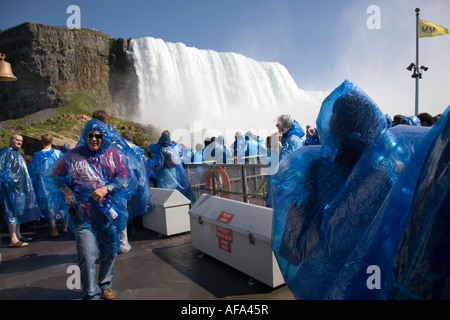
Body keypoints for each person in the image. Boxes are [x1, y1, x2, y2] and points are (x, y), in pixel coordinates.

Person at [50, 119, 136, 300]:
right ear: (85, 136)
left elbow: (124, 179)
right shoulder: (72, 157)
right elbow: (54, 176)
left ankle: (105, 284)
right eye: (91, 135)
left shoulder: (114, 155)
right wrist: (66, 190)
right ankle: (91, 293)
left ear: (104, 137)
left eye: (99, 136)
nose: (94, 139)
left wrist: (107, 188)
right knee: (87, 255)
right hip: (82, 215)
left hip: (106, 213)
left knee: (108, 250)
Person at [0, 134, 42, 247]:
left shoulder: (16, 153)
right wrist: (10, 184)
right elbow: (2, 171)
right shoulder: (6, 152)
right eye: (17, 140)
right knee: (11, 213)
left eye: (21, 141)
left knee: (17, 213)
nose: (19, 142)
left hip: (19, 190)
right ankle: (13, 239)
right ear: (11, 140)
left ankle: (18, 235)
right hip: (11, 190)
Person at [28, 133, 68, 238]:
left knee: (49, 207)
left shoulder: (36, 156)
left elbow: (33, 172)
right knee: (62, 205)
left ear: (42, 142)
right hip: (57, 184)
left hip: (43, 186)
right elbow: (64, 168)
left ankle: (54, 230)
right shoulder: (58, 153)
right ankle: (64, 226)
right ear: (52, 141)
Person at [155, 131, 195, 203]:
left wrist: (155, 168)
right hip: (173, 171)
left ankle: (168, 204)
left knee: (166, 191)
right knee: (173, 189)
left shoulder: (162, 149)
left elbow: (161, 164)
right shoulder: (173, 149)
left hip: (165, 172)